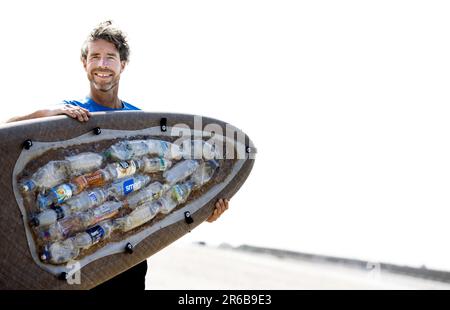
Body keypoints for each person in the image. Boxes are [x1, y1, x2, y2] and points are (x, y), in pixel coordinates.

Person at [7, 21, 229, 290]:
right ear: (84, 63)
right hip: (78, 257)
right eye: (95, 57)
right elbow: (8, 134)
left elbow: (165, 185)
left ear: (122, 64)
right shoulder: (70, 113)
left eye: (110, 57)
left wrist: (202, 208)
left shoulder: (138, 122)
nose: (102, 64)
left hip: (126, 256)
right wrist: (46, 114)